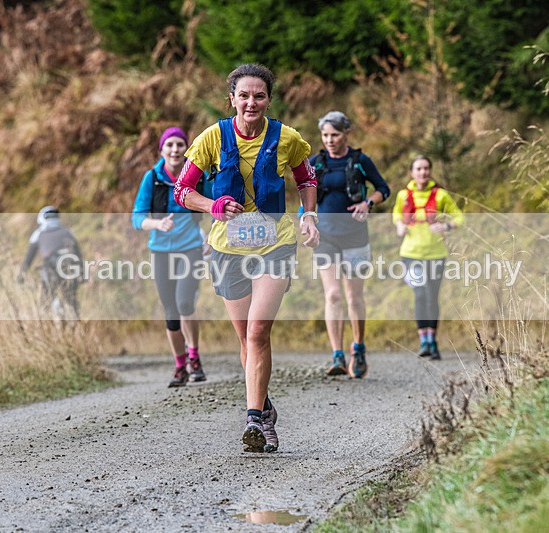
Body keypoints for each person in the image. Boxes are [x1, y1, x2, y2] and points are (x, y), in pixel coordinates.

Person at [174, 63, 319, 453]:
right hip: (228, 248)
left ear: (269, 100)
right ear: (232, 99)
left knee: (257, 332)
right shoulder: (212, 137)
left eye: (259, 96)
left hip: (275, 244)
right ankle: (265, 407)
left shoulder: (287, 138)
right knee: (245, 339)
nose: (251, 102)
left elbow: (306, 178)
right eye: (244, 95)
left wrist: (309, 216)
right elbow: (182, 190)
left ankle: (254, 419)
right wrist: (213, 205)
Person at [310, 111, 391, 379]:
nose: (329, 140)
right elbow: (304, 196)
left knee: (354, 297)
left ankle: (358, 347)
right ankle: (337, 354)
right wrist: (305, 220)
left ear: (346, 134)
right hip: (325, 236)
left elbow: (383, 189)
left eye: (334, 135)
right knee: (333, 294)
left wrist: (368, 203)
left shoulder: (359, 161)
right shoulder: (315, 163)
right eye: (325, 135)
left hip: (355, 236)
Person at [132, 126, 209, 388]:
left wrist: (212, 235)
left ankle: (194, 357)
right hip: (161, 250)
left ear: (186, 149)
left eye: (180, 145)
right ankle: (180, 365)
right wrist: (158, 224)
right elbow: (137, 217)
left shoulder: (198, 176)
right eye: (170, 145)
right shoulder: (152, 178)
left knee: (185, 303)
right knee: (171, 312)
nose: (175, 150)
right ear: (161, 150)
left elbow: (217, 204)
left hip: (191, 248)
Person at [392, 156, 463, 360]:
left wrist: (446, 226)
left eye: (426, 168)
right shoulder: (403, 195)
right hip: (411, 254)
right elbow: (396, 214)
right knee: (420, 293)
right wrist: (399, 225)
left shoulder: (441, 195)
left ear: (430, 171)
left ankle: (432, 341)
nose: (423, 172)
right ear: (412, 172)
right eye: (419, 169)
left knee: (432, 296)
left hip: (436, 254)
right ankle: (423, 340)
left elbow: (459, 216)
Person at [18, 206, 83, 320]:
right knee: (71, 300)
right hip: (70, 269)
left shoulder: (38, 234)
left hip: (50, 270)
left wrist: (21, 275)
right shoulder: (68, 232)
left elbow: (29, 258)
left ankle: (47, 321)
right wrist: (82, 273)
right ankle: (76, 323)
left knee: (45, 301)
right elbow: (78, 255)